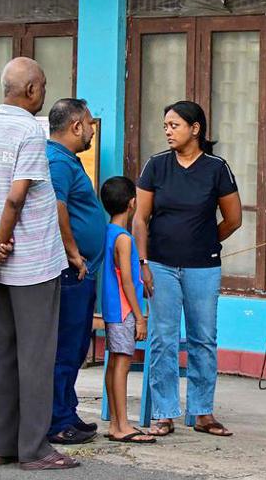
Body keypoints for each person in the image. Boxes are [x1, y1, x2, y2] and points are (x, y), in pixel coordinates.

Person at [0, 57, 78, 470]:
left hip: (1, 265)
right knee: (35, 358)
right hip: (31, 262)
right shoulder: (31, 130)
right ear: (31, 90)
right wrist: (0, 246)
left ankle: (0, 444)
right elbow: (16, 196)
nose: (45, 93)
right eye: (43, 86)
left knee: (3, 354)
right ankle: (34, 448)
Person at [134, 100, 242, 438]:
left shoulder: (216, 168)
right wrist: (143, 261)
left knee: (203, 339)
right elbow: (140, 218)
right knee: (163, 338)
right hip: (161, 265)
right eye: (165, 125)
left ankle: (202, 413)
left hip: (203, 267)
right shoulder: (156, 166)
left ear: (195, 129)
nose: (168, 131)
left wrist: (207, 240)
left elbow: (233, 219)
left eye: (174, 125)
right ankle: (164, 413)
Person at [44, 98, 104, 445]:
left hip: (81, 272)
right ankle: (56, 420)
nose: (93, 130)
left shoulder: (67, 160)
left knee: (77, 345)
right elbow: (56, 204)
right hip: (70, 272)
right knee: (65, 348)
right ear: (76, 126)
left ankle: (67, 410)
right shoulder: (57, 161)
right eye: (90, 123)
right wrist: (73, 252)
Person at [100, 176, 155, 444]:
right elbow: (127, 282)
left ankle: (115, 422)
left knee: (114, 365)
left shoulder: (108, 231)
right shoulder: (124, 238)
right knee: (122, 365)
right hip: (124, 310)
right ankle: (121, 425)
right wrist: (140, 317)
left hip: (113, 308)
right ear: (132, 203)